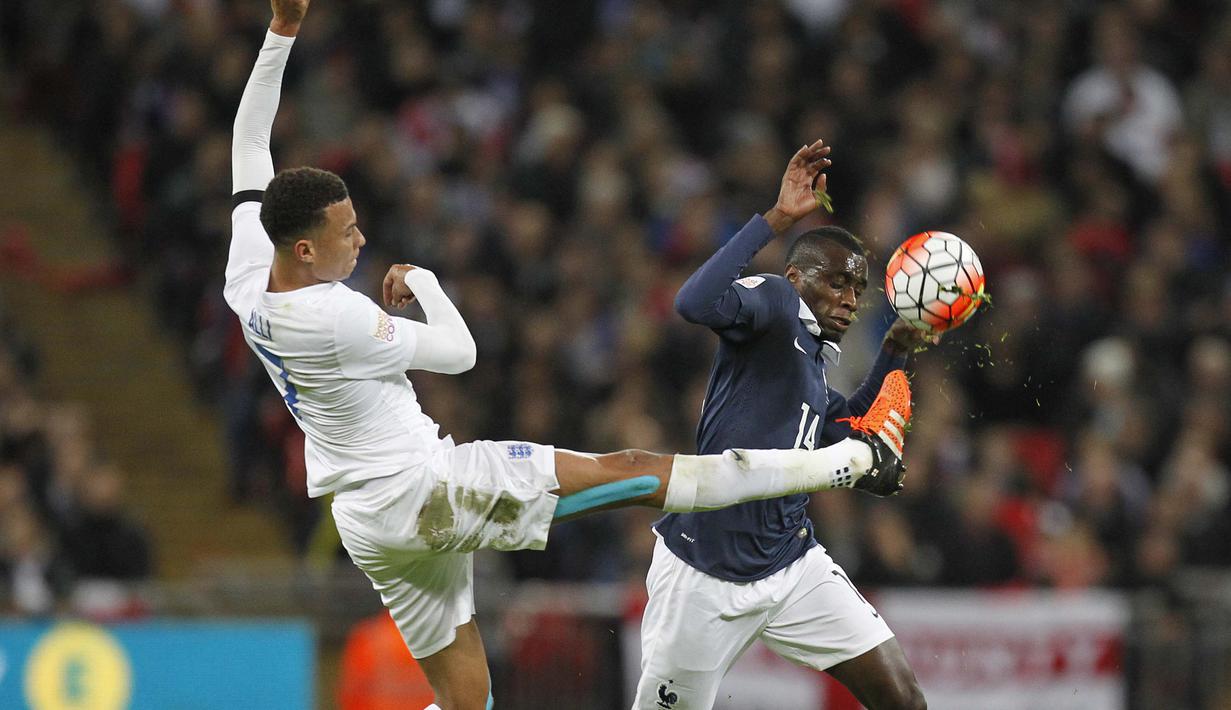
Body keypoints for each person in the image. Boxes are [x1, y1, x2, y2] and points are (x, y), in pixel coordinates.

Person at [226, 3, 908, 708]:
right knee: (635, 471)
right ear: (304, 250)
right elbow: (460, 354)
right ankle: (849, 464)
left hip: (366, 519)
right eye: (346, 231)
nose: (361, 239)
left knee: (467, 704)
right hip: (424, 489)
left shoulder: (248, 275)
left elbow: (250, 145)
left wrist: (281, 29)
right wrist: (425, 281)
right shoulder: (335, 315)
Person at [632, 145, 931, 709]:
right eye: (838, 282)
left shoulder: (810, 364)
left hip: (790, 565)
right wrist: (774, 220)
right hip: (704, 576)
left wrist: (894, 350)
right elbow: (694, 302)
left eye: (857, 292)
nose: (848, 300)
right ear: (796, 276)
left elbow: (842, 426)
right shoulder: (773, 302)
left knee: (905, 699)